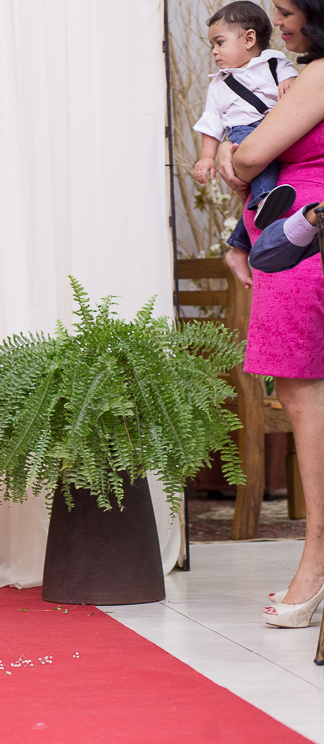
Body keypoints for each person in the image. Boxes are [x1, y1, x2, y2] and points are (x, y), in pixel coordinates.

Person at [217, 0, 324, 628]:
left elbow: (249, 157)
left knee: (304, 398)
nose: (278, 22)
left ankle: (315, 566)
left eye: (287, 11)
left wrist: (237, 157)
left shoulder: (318, 74)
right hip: (289, 242)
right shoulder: (297, 74)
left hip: (301, 250)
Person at [193, 0, 300, 270]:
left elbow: (294, 84)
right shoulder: (219, 84)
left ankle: (240, 244)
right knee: (264, 169)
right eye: (212, 45)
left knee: (275, 184)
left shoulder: (276, 62)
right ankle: (263, 200)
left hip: (278, 127)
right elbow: (212, 122)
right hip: (244, 131)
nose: (214, 51)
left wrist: (289, 80)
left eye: (220, 42)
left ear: (249, 39)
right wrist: (206, 157)